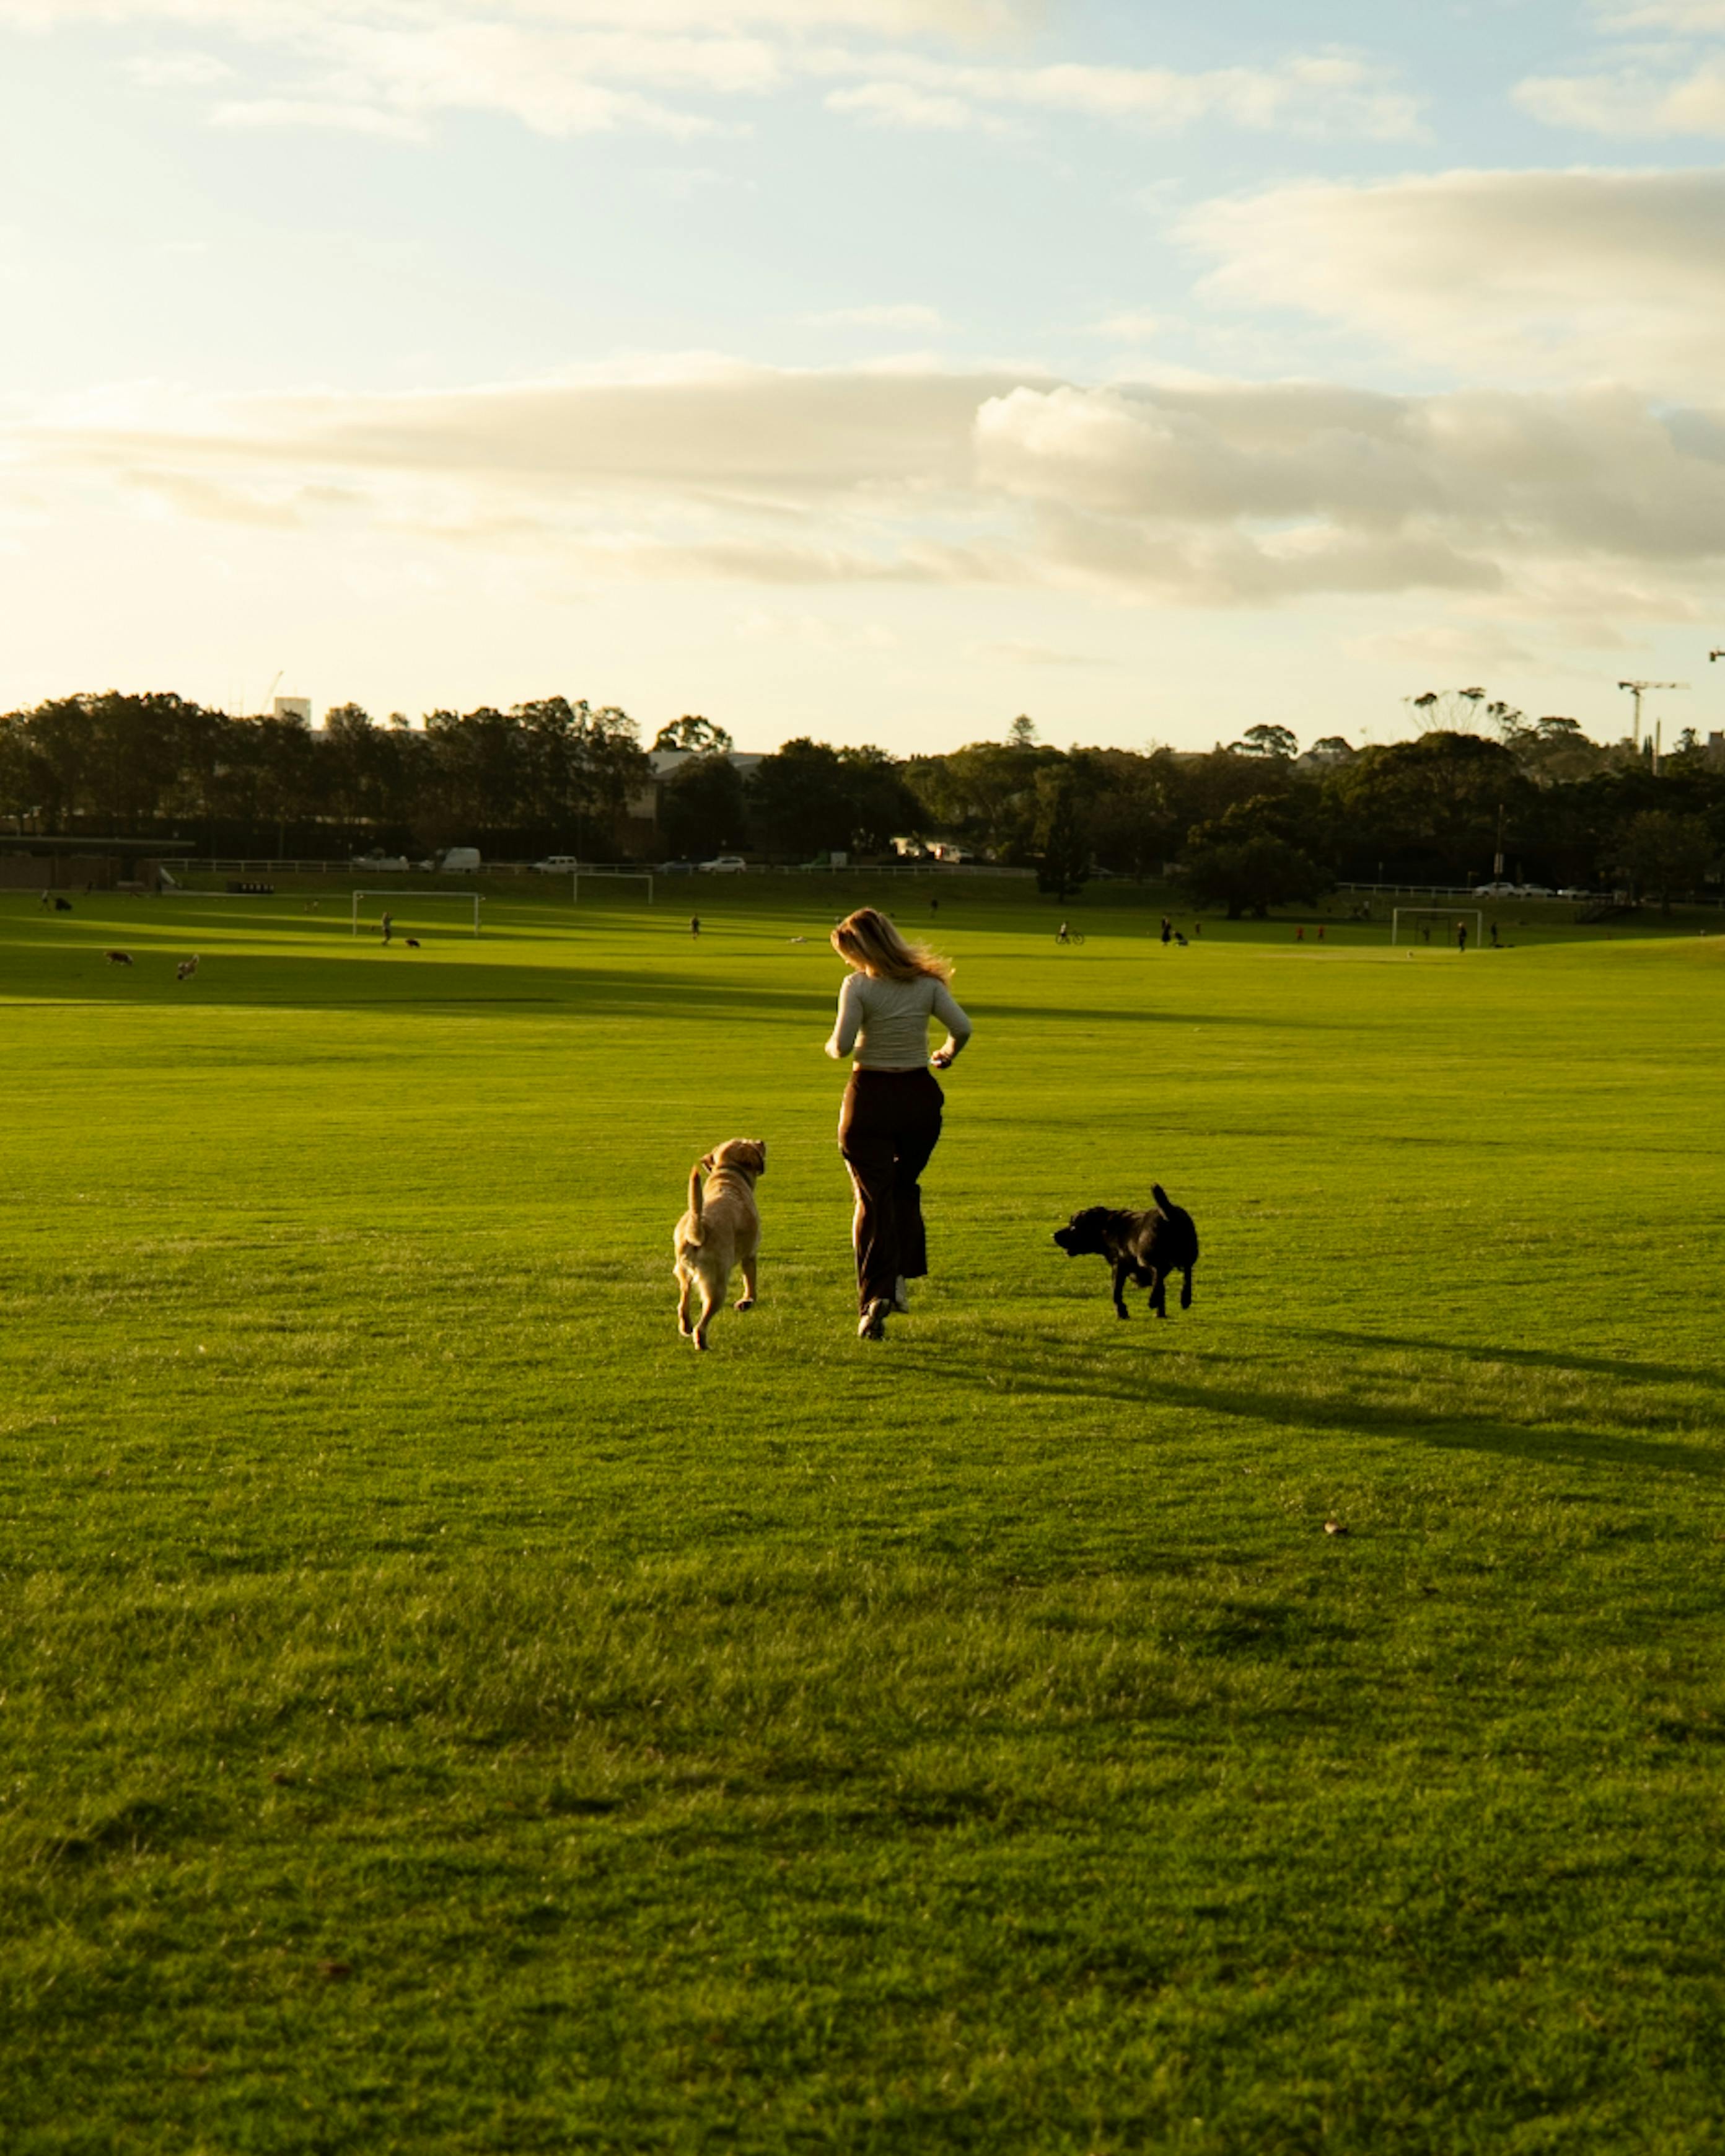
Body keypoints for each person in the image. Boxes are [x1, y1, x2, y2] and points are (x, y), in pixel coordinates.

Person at [825, 907, 972, 1341]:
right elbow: (962, 1028)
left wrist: (832, 1046)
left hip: (870, 1098)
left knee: (871, 1199)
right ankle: (901, 1274)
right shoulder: (927, 985)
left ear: (862, 949)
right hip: (918, 1099)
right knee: (902, 1187)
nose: (848, 962)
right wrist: (946, 1052)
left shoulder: (857, 987)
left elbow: (843, 1045)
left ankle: (874, 1298)